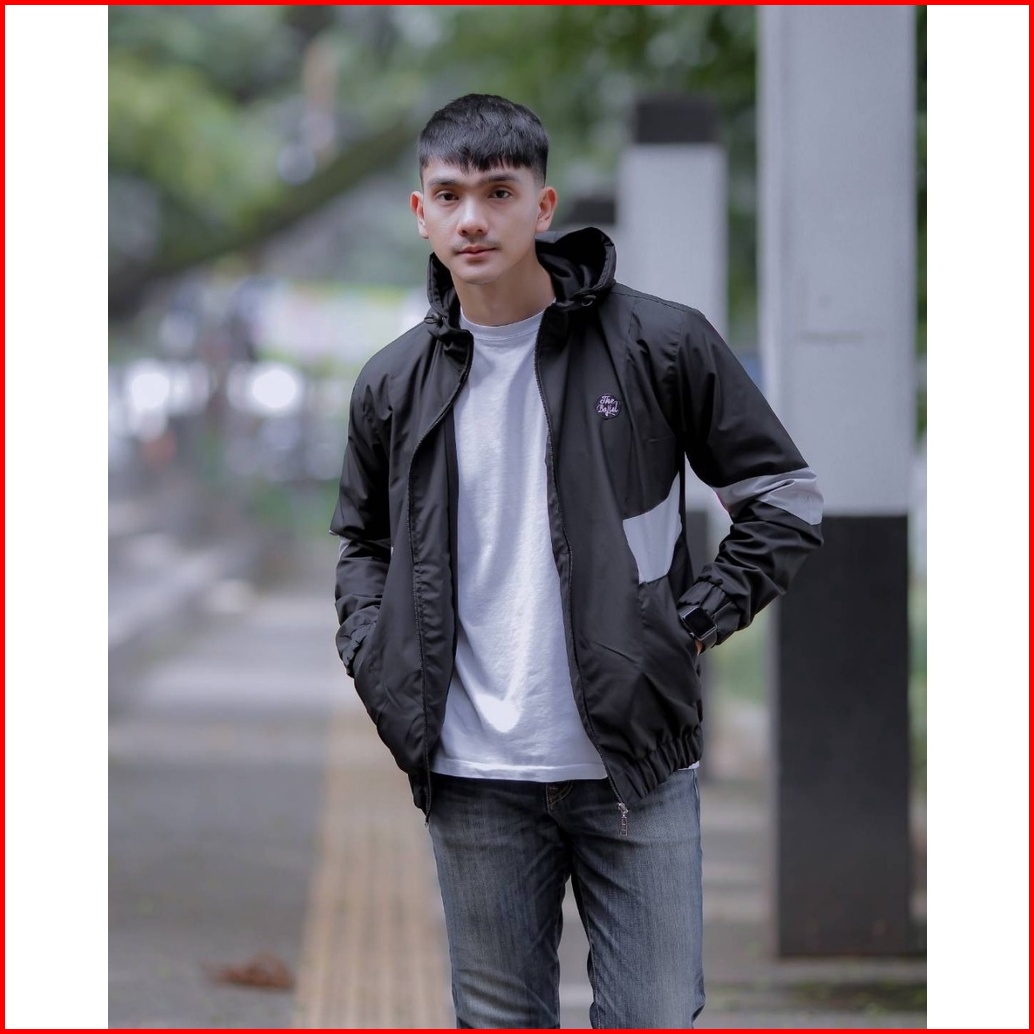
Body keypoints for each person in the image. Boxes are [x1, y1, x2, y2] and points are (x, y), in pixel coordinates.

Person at [331, 93, 823, 1029]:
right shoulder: (393, 382)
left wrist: (686, 626)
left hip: (634, 762)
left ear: (543, 206)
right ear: (421, 212)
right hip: (470, 772)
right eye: (450, 196)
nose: (473, 219)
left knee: (656, 1014)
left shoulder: (660, 344)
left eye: (498, 192)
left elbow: (784, 501)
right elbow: (364, 542)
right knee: (498, 1018)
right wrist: (372, 652)